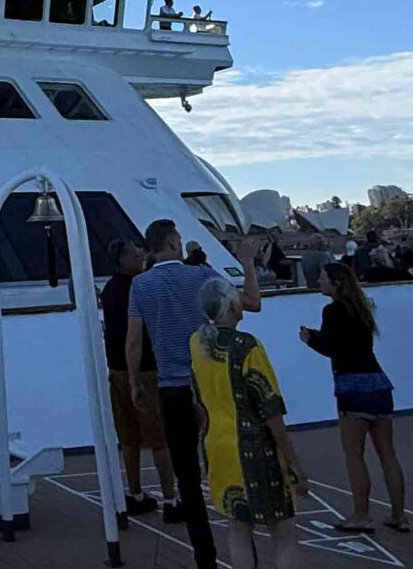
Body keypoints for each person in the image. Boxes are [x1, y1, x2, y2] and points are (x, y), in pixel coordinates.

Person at [127, 220, 267, 569]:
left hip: (170, 387)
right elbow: (251, 302)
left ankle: (204, 556)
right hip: (212, 382)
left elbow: (133, 340)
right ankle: (247, 549)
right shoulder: (201, 275)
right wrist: (247, 263)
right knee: (233, 461)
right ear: (174, 242)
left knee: (186, 475)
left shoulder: (140, 286)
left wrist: (133, 381)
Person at [190, 276, 307, 568]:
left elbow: (197, 403)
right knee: (283, 531)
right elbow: (270, 408)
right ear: (230, 304)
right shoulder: (247, 346)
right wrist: (293, 461)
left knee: (238, 529)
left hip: (217, 445)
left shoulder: (197, 343)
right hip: (254, 449)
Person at [299, 260, 408, 534]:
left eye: (324, 278)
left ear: (336, 283)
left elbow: (332, 347)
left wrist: (310, 338)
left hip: (351, 386)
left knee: (354, 455)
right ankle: (398, 515)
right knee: (387, 453)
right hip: (378, 383)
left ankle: (361, 515)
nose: (320, 282)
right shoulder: (362, 309)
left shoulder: (332, 310)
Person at [100, 240, 175, 515]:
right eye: (135, 253)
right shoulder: (141, 287)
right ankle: (170, 500)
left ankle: (135, 493)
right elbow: (136, 337)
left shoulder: (109, 289)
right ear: (122, 259)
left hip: (117, 370)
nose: (141, 255)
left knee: (128, 436)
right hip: (143, 371)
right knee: (159, 438)